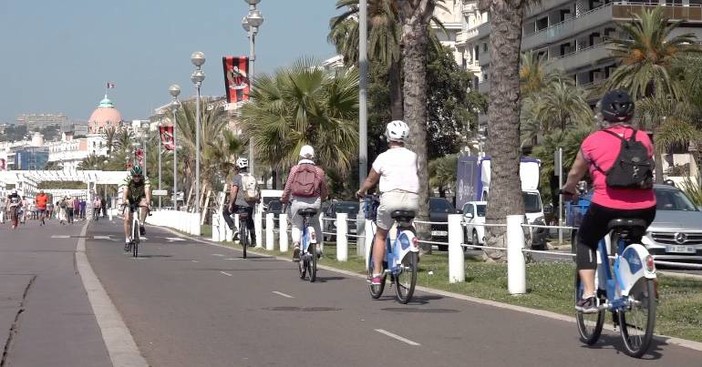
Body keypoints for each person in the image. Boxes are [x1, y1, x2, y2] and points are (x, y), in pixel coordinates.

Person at [561, 89, 656, 313]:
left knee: (586, 239)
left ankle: (588, 295)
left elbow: (575, 173)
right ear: (631, 114)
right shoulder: (643, 138)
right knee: (635, 239)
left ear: (604, 114)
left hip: (607, 206)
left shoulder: (593, 141)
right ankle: (643, 285)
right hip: (645, 207)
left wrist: (569, 189)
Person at [355, 120, 420, 285]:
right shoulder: (413, 156)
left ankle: (376, 273)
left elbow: (371, 179)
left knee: (381, 235)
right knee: (408, 225)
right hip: (412, 199)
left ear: (388, 136)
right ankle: (411, 250)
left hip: (391, 198)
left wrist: (361, 191)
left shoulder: (383, 157)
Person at [281, 145, 328, 262]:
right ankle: (317, 246)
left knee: (297, 225)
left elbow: (288, 187)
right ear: (313, 156)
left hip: (297, 202)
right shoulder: (319, 171)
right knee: (315, 222)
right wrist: (322, 199)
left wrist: (284, 198)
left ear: (300, 155)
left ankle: (296, 245)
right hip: (314, 203)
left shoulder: (294, 169)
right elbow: (324, 190)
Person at [226, 158, 259, 246]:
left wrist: (231, 204)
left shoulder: (237, 177)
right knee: (249, 219)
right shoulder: (252, 177)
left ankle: (234, 229)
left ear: (238, 167)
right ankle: (253, 240)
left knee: (225, 213)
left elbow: (234, 192)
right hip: (250, 204)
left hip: (239, 204)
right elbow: (256, 190)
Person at [122, 165, 152, 247]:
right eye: (135, 176)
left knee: (146, 204)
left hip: (140, 197)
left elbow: (147, 191)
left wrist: (148, 202)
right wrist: (124, 201)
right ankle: (127, 240)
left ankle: (141, 223)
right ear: (132, 176)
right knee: (127, 219)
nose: (137, 178)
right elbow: (125, 191)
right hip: (130, 198)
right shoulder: (127, 179)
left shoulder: (145, 179)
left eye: (138, 176)